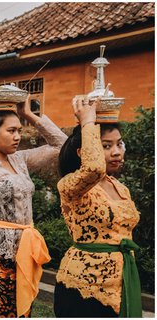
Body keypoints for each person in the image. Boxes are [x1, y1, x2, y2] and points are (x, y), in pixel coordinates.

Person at [0, 96, 67, 317]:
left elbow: (62, 145)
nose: (18, 136)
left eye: (20, 130)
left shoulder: (19, 160)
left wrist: (30, 115)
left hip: (23, 256)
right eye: (11, 131)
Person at [53, 97, 141, 317]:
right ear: (83, 151)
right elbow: (93, 169)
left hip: (122, 282)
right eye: (106, 146)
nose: (116, 152)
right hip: (82, 289)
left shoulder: (120, 188)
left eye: (118, 144)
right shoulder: (71, 186)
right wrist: (87, 123)